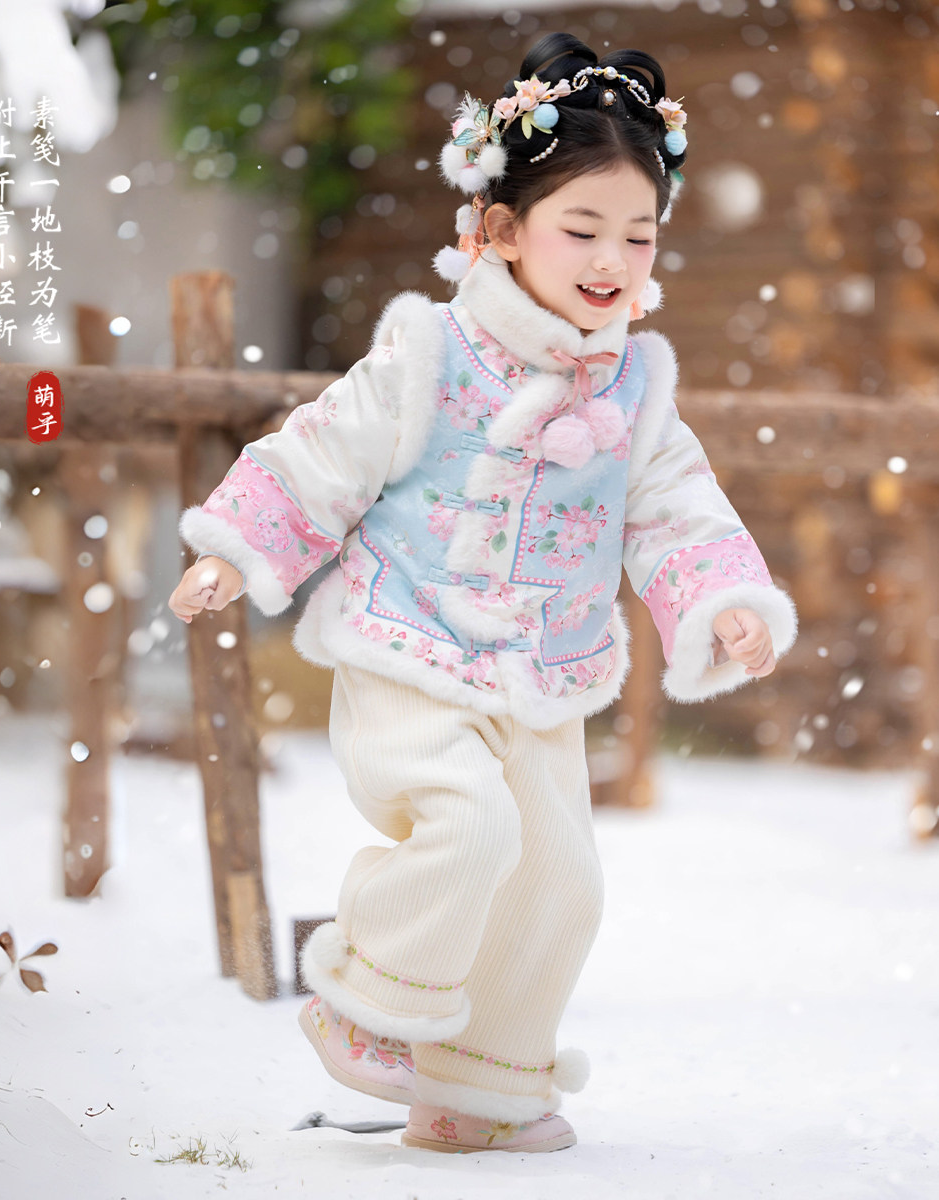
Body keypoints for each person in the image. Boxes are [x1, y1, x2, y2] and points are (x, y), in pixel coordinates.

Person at [168, 32, 797, 1154]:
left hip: (543, 677)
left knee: (561, 881)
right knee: (470, 829)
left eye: (638, 235)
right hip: (410, 646)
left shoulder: (639, 387)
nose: (614, 257)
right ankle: (367, 996)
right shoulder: (432, 355)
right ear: (500, 231)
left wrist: (719, 601)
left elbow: (677, 510)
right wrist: (236, 547)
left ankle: (477, 1091)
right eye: (582, 227)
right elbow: (322, 454)